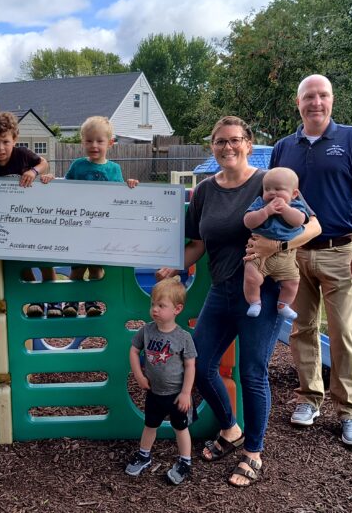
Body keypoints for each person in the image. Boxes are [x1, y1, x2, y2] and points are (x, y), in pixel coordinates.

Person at [157, 116, 320, 487]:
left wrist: (278, 245)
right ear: (211, 147)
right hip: (222, 288)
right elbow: (197, 243)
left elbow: (313, 225)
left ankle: (254, 453)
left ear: (248, 143)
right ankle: (231, 429)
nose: (228, 147)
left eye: (235, 140)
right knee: (199, 363)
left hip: (264, 292)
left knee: (252, 371)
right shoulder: (204, 191)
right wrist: (175, 267)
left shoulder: (268, 181)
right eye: (220, 141)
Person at [269, 74, 352, 447]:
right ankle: (309, 398)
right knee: (301, 329)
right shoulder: (284, 147)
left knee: (343, 334)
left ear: (332, 100)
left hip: (340, 251)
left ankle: (350, 412)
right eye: (309, 97)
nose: (315, 103)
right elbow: (270, 199)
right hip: (294, 255)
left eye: (323, 96)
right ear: (297, 102)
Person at [49, 116, 138, 317]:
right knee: (78, 270)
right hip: (80, 228)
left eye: (100, 141)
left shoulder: (114, 169)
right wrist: (51, 181)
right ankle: (71, 303)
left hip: (102, 231)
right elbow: (65, 188)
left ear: (110, 143)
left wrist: (130, 185)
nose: (94, 145)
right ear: (82, 142)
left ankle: (92, 302)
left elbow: (121, 196)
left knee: (97, 270)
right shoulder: (78, 165)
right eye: (89, 141)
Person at [0, 111, 59, 317]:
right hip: (9, 222)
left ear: (14, 139)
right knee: (21, 264)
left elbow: (44, 163)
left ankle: (54, 301)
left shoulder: (22, 154)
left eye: (5, 141)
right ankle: (35, 301)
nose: (1, 148)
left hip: (32, 218)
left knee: (44, 262)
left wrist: (33, 172)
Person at [124, 278, 196, 485]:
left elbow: (191, 365)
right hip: (154, 392)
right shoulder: (146, 331)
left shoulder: (183, 337)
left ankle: (185, 462)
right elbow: (134, 350)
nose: (154, 309)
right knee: (150, 425)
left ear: (177, 309)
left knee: (180, 428)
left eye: (161, 305)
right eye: (153, 304)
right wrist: (138, 374)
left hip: (176, 396)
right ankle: (144, 455)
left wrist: (185, 393)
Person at [242, 167, 309, 319]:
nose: (272, 193)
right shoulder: (260, 204)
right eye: (267, 189)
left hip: (285, 255)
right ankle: (254, 302)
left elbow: (298, 221)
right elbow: (248, 221)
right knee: (251, 277)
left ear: (294, 194)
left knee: (292, 282)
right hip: (258, 253)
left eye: (279, 189)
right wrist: (265, 212)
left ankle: (283, 304)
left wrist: (285, 209)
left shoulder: (295, 205)